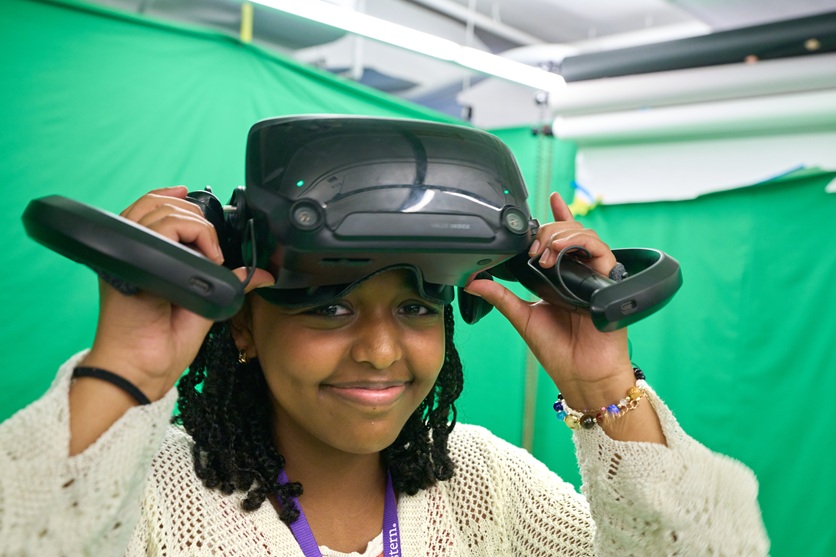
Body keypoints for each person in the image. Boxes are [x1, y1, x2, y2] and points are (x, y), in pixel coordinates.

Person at [0, 185, 768, 556]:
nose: (378, 350)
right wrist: (128, 368)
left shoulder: (487, 484)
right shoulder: (150, 505)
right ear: (243, 327)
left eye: (413, 308)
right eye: (328, 308)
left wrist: (602, 385)